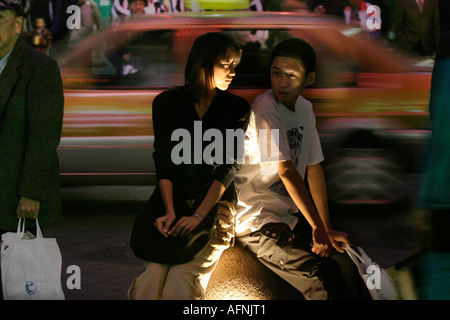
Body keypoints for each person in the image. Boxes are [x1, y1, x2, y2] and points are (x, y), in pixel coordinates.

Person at [233, 38, 371, 300]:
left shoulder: (305, 109)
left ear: (309, 79)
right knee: (318, 278)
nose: (282, 82)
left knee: (347, 263)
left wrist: (326, 228)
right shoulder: (265, 107)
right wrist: (316, 226)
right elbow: (286, 170)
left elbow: (314, 169)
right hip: (256, 222)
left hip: (288, 218)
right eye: (276, 73)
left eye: (291, 75)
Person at [128, 32, 250, 300]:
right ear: (203, 63)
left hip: (214, 209)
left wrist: (197, 217)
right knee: (153, 277)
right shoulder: (166, 103)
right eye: (225, 63)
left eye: (234, 65)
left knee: (181, 280)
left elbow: (228, 169)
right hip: (170, 205)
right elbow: (164, 162)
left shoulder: (236, 108)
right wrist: (170, 211)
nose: (232, 71)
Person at [0, 0, 64, 298]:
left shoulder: (40, 68)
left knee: (15, 275)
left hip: (13, 194)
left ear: (17, 26)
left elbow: (45, 135)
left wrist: (32, 192)